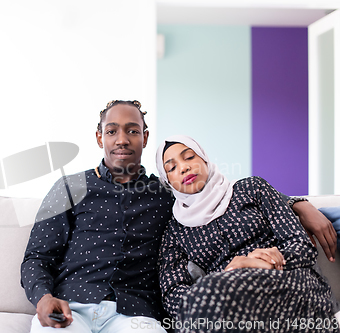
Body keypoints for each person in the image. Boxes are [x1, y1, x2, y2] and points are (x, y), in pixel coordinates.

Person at [21, 100, 336, 332]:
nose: (121, 139)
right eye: (112, 131)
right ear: (99, 137)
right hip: (72, 306)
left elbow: (215, 192)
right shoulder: (68, 187)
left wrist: (298, 203)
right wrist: (43, 298)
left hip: (135, 316)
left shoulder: (166, 194)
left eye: (132, 131)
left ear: (144, 138)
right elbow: (36, 257)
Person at [156, 135, 337, 332]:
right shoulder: (175, 231)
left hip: (287, 281)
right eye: (171, 168)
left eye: (190, 157)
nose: (184, 168)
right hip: (226, 299)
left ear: (204, 159)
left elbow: (301, 245)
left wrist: (264, 262)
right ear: (168, 181)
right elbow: (173, 294)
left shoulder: (252, 188)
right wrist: (223, 280)